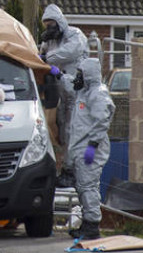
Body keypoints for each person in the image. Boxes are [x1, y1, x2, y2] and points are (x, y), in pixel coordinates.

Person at [39, 4, 89, 188]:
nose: (49, 28)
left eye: (51, 23)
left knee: (71, 131)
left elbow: (69, 52)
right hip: (63, 94)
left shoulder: (75, 35)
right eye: (46, 25)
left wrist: (46, 58)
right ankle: (66, 169)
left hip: (77, 95)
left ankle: (72, 171)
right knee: (61, 129)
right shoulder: (52, 41)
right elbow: (41, 54)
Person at [68, 58, 115, 240]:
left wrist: (93, 145)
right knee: (83, 187)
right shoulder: (84, 92)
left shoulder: (98, 94)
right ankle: (87, 223)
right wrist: (58, 74)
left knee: (88, 187)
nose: (77, 77)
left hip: (91, 149)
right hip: (82, 147)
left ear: (88, 75)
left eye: (80, 73)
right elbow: (69, 85)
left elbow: (103, 120)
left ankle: (92, 226)